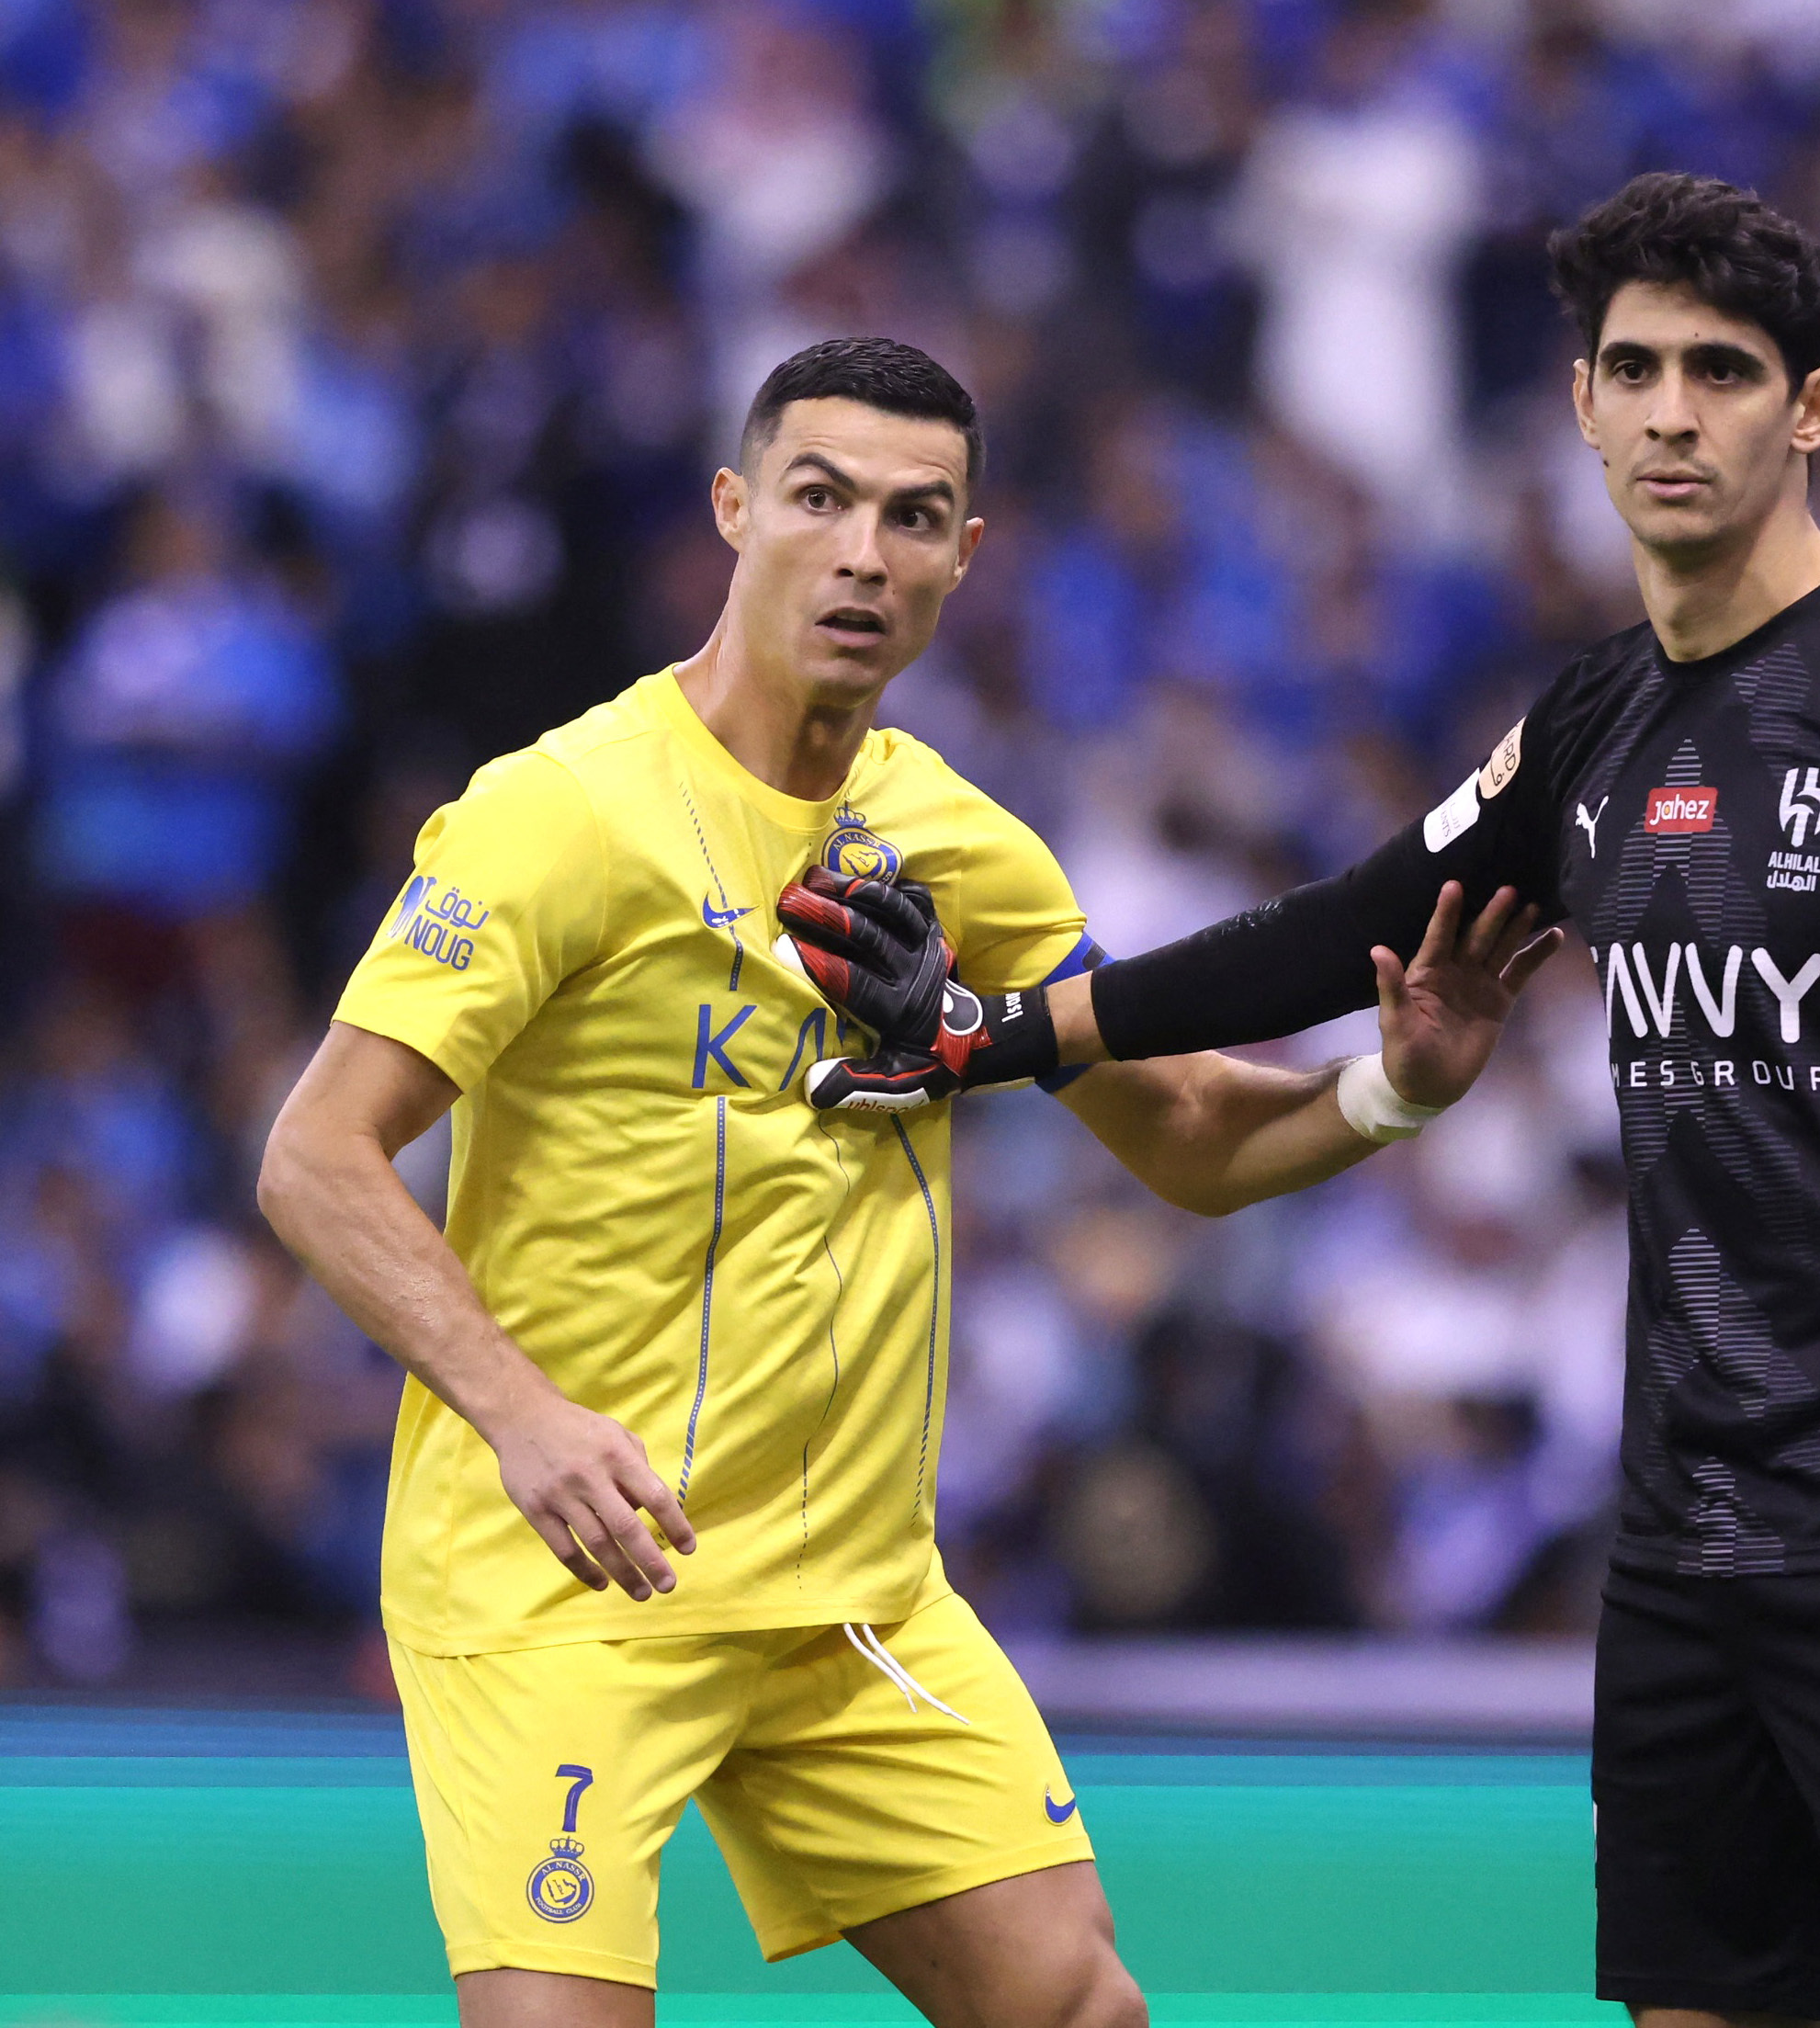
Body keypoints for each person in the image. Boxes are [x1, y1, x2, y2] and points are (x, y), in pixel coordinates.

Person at [783, 176, 1820, 2028]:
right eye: (1634, 370)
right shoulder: (1594, 722)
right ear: (1580, 403)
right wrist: (999, 1037)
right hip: (1681, 1548)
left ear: (1811, 410)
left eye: (1724, 371)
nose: (1673, 412)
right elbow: (1351, 926)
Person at [256, 337, 1543, 2028]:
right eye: (819, 499)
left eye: (912, 516)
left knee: (1079, 2008)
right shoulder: (555, 820)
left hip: (843, 1600)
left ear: (964, 556)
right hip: (566, 1575)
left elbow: (1187, 1141)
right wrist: (524, 1415)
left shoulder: (950, 842)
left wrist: (1394, 1088)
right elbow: (315, 1158)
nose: (863, 551)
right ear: (734, 511)